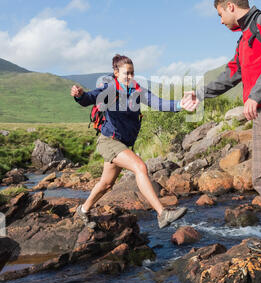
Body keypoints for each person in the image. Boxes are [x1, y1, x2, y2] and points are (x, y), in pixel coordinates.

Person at [188, 0, 261, 266]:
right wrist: (199, 94)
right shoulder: (244, 39)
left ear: (229, 6)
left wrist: (256, 93)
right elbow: (231, 74)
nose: (220, 21)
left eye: (219, 15)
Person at [71, 54, 197, 229]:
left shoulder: (138, 91)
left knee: (106, 184)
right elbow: (89, 98)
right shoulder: (109, 90)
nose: (130, 77)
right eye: (126, 73)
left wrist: (179, 105)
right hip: (109, 141)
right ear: (116, 73)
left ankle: (83, 210)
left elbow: (158, 103)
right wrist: (80, 95)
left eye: (132, 73)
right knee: (140, 167)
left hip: (122, 144)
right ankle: (162, 214)